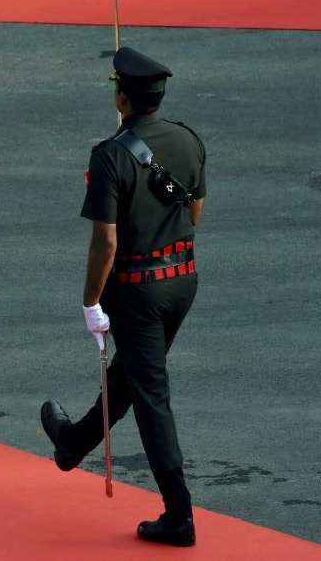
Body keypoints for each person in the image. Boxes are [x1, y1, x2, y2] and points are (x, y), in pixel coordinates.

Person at [40, 46, 206, 546]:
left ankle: (179, 517)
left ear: (121, 95)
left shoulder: (111, 154)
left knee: (151, 396)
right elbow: (195, 213)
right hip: (182, 281)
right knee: (134, 374)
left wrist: (91, 301)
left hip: (136, 292)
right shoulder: (188, 139)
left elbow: (105, 240)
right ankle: (73, 442)